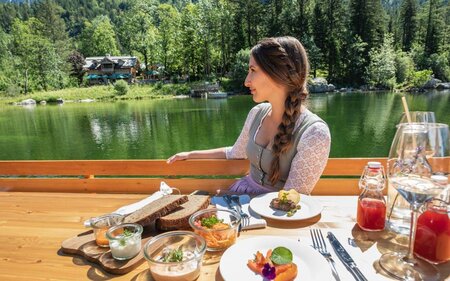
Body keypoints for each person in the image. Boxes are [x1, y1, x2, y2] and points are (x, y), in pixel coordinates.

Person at [167, 36, 331, 195]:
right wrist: (190, 155)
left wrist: (229, 197)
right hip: (239, 197)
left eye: (253, 70)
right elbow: (234, 153)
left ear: (278, 73)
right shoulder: (257, 113)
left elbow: (290, 202)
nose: (246, 81)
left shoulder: (314, 133)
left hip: (270, 214)